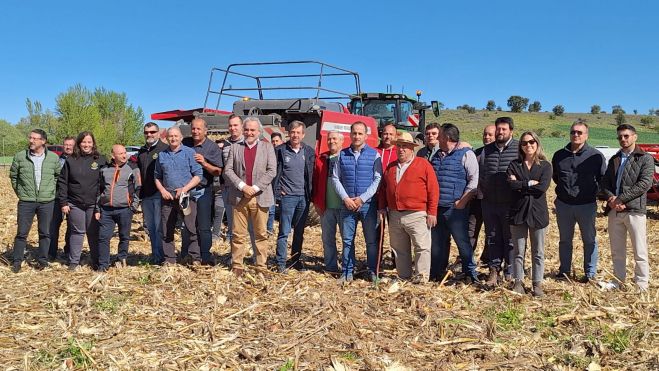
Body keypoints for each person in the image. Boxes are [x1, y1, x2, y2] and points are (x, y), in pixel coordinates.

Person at [600, 124, 654, 292]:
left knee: (640, 250)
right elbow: (605, 183)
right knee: (617, 250)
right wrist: (611, 198)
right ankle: (618, 281)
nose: (623, 139)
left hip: (635, 211)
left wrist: (621, 199)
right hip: (615, 211)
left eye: (626, 136)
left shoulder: (645, 158)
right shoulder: (614, 159)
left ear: (634, 137)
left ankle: (641, 285)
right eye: (620, 137)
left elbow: (644, 184)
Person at [378, 132, 438, 283]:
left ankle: (421, 278)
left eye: (405, 146)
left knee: (422, 247)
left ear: (412, 149)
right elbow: (383, 189)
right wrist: (381, 207)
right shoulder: (391, 167)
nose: (401, 149)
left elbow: (433, 189)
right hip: (395, 214)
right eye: (399, 146)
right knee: (399, 249)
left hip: (417, 214)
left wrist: (432, 212)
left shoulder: (423, 164)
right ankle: (403, 276)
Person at [551, 120, 606, 282]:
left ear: (586, 135)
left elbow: (602, 178)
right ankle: (564, 271)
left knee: (589, 240)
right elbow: (556, 177)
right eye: (573, 132)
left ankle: (590, 273)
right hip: (564, 205)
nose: (576, 135)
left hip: (586, 205)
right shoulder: (559, 155)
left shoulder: (595, 156)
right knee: (565, 240)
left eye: (579, 132)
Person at [223, 117, 277, 277]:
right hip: (240, 196)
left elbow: (271, 171)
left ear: (259, 132)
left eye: (253, 130)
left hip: (260, 196)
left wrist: (254, 188)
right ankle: (237, 265)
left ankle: (261, 265)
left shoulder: (267, 148)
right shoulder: (235, 148)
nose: (249, 133)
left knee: (260, 233)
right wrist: (242, 186)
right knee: (238, 234)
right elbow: (228, 170)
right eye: (246, 129)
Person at [331, 121, 383, 283]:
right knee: (347, 240)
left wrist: (362, 198)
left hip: (367, 205)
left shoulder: (374, 155)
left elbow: (377, 179)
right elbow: (335, 178)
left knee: (371, 241)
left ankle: (373, 271)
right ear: (350, 135)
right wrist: (346, 198)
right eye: (354, 133)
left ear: (366, 136)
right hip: (347, 205)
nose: (357, 136)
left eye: (360, 133)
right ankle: (347, 272)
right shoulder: (341, 155)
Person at [429, 123, 479, 283]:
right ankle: (437, 272)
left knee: (462, 242)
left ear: (447, 138)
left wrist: (462, 202)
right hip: (437, 208)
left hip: (456, 209)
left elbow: (474, 180)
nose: (437, 139)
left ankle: (470, 273)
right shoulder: (436, 155)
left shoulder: (466, 154)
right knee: (437, 243)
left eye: (439, 136)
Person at [507, 132, 552, 297]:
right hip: (518, 212)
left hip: (538, 213)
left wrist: (520, 184)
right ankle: (518, 281)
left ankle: (537, 283)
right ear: (521, 146)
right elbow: (511, 186)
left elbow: (542, 188)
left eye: (532, 142)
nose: (528, 145)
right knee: (518, 250)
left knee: (538, 251)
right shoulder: (514, 164)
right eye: (525, 143)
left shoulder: (546, 166)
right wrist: (528, 183)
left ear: (537, 143)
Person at [10, 129, 61, 273]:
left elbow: (57, 176)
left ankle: (43, 260)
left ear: (43, 141)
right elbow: (14, 176)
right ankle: (17, 261)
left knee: (45, 232)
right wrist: (20, 192)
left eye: (35, 138)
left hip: (46, 201)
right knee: (22, 233)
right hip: (26, 201)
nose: (31, 141)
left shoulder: (53, 158)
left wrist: (51, 192)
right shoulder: (20, 156)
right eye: (30, 138)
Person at [57, 131, 107, 271]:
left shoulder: (100, 160)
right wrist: (64, 202)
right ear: (79, 144)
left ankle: (96, 261)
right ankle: (74, 262)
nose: (86, 144)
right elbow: (62, 182)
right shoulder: (71, 160)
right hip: (75, 203)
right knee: (77, 232)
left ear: (93, 143)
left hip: (94, 204)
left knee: (93, 232)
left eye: (89, 142)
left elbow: (105, 182)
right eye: (84, 142)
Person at [479, 117, 519, 286]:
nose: (500, 132)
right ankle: (494, 270)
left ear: (511, 131)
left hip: (510, 202)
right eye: (498, 129)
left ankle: (510, 271)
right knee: (493, 237)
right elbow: (481, 172)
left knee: (510, 238)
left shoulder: (519, 148)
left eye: (504, 129)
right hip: (489, 202)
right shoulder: (486, 150)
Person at [154, 127, 203, 265]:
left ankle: (194, 257)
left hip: (185, 197)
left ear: (181, 137)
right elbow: (157, 177)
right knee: (166, 229)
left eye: (176, 136)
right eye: (170, 136)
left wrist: (185, 189)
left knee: (191, 227)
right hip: (168, 198)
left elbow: (198, 175)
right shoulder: (162, 155)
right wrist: (162, 190)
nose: (173, 138)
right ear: (166, 138)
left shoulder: (189, 153)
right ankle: (169, 259)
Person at [272, 121, 315, 272]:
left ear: (303, 135)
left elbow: (312, 174)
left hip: (303, 197)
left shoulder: (309, 151)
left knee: (299, 232)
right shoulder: (280, 151)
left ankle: (295, 260)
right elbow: (273, 172)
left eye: (298, 132)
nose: (295, 135)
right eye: (293, 132)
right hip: (287, 197)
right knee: (284, 231)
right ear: (288, 134)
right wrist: (278, 191)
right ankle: (281, 263)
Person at [182, 118, 223, 265]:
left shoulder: (212, 147)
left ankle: (205, 255)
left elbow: (218, 171)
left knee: (204, 226)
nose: (195, 131)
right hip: (186, 192)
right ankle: (187, 254)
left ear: (206, 130)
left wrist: (204, 163)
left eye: (199, 129)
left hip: (203, 191)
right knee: (186, 225)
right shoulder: (185, 143)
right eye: (193, 128)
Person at [96, 145, 141, 271]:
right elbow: (99, 190)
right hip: (106, 210)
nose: (124, 155)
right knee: (103, 237)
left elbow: (138, 188)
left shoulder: (133, 168)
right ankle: (103, 265)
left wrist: (133, 207)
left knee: (124, 236)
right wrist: (98, 208)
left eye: (124, 152)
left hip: (125, 209)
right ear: (113, 156)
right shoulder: (104, 169)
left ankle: (121, 260)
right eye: (120, 153)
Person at [312, 131, 345, 273]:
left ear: (342, 141)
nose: (332, 141)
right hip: (326, 207)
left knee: (347, 239)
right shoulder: (321, 159)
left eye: (335, 139)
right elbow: (315, 182)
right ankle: (331, 267)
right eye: (329, 139)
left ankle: (346, 267)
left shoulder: (347, 158)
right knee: (327, 239)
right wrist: (316, 203)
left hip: (345, 206)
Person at [137, 122, 169, 264]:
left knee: (158, 227)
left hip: (159, 193)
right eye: (146, 132)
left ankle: (161, 256)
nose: (149, 135)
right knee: (150, 228)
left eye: (152, 132)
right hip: (146, 194)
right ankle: (155, 254)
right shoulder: (142, 151)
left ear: (158, 133)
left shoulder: (165, 149)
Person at [469, 125, 495, 265]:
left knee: (491, 232)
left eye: (490, 134)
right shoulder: (476, 153)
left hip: (492, 200)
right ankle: (466, 258)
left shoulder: (499, 154)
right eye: (485, 134)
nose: (487, 137)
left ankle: (487, 259)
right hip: (475, 199)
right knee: (471, 231)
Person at [48, 136, 75, 261]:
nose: (68, 147)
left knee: (72, 227)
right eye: (66, 145)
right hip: (57, 198)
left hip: (73, 198)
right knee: (53, 226)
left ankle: (69, 251)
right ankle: (51, 253)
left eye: (71, 145)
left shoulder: (78, 160)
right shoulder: (56, 160)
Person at [267, 132, 284, 235]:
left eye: (277, 141)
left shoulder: (285, 153)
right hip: (271, 185)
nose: (275, 143)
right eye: (273, 141)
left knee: (284, 210)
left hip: (282, 185)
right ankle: (269, 229)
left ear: (281, 141)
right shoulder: (269, 154)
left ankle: (284, 229)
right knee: (271, 210)